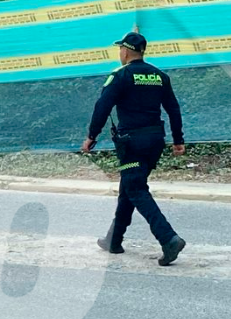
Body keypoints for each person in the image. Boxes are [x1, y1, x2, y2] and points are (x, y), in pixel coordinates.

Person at [81, 31, 187, 266]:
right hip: (155, 140)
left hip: (132, 143)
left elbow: (102, 107)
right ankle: (114, 239)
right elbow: (174, 109)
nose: (120, 52)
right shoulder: (160, 76)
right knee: (130, 185)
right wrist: (178, 139)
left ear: (126, 51)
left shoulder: (121, 76)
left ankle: (168, 238)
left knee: (136, 188)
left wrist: (91, 136)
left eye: (120, 49)